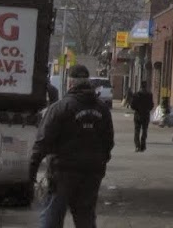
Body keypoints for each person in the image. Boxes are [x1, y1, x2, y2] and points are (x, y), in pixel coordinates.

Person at [29, 64, 114, 228]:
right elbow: (108, 142)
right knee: (85, 217)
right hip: (92, 172)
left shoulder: (60, 108)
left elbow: (42, 143)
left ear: (70, 83)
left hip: (62, 172)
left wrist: (31, 172)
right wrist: (100, 161)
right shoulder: (103, 109)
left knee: (52, 216)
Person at [127, 83, 156, 152]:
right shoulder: (149, 95)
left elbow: (132, 106)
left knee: (137, 130)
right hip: (146, 115)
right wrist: (147, 109)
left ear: (140, 87)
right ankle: (143, 146)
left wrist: (137, 108)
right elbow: (151, 105)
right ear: (146, 87)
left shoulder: (136, 95)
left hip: (138, 115)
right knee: (144, 130)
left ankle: (137, 146)